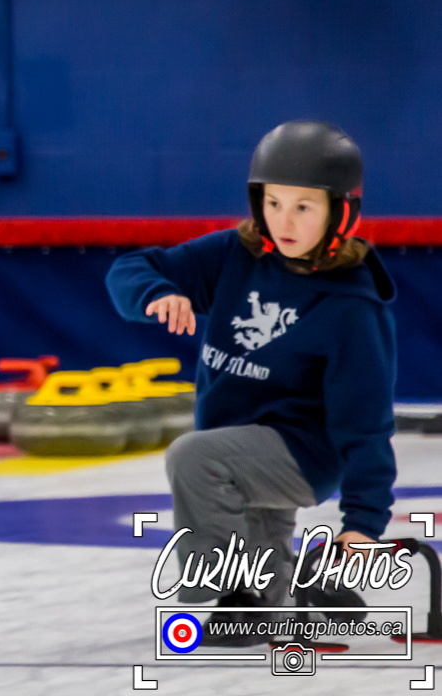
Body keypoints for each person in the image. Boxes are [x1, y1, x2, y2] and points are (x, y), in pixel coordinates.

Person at [106, 121, 397, 643]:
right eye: (273, 202)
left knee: (194, 457)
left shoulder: (353, 307)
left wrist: (362, 525)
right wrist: (157, 292)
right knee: (259, 604)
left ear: (340, 212)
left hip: (306, 453)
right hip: (240, 443)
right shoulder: (235, 256)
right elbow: (130, 268)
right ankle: (278, 605)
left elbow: (367, 423)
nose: (284, 220)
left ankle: (229, 584)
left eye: (303, 207)